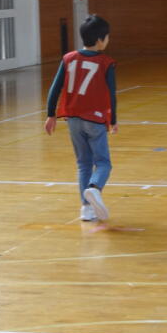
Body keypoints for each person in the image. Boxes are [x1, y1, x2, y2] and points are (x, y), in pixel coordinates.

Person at [45, 15, 117, 222]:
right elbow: (112, 95)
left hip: (73, 120)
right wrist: (113, 120)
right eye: (107, 37)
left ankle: (86, 209)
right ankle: (94, 188)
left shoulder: (68, 58)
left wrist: (51, 115)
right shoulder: (106, 62)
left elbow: (55, 88)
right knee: (103, 163)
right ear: (101, 40)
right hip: (95, 119)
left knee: (83, 164)